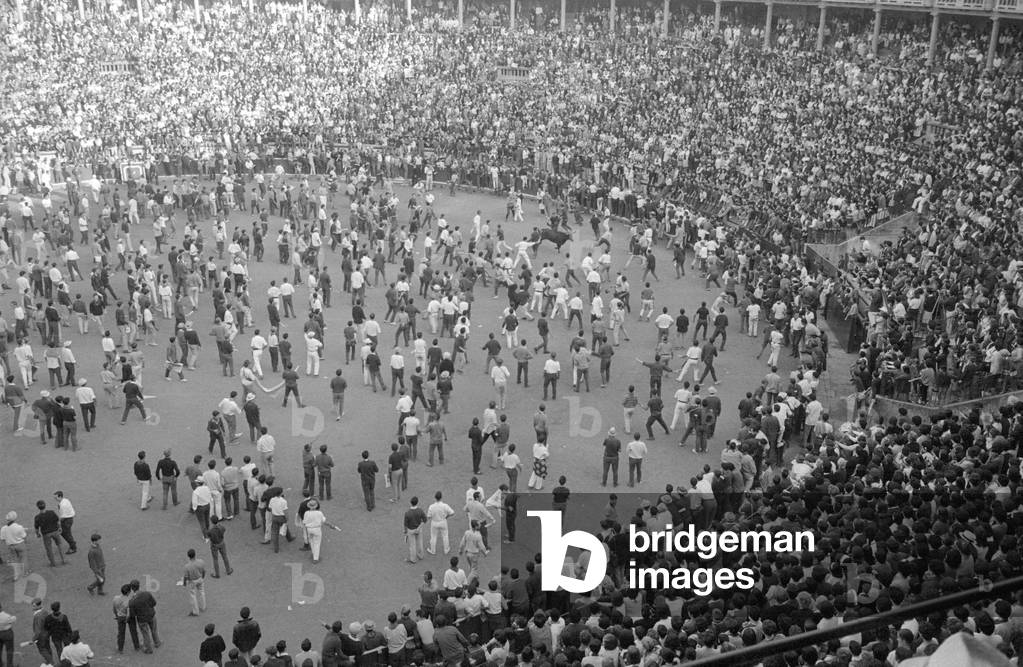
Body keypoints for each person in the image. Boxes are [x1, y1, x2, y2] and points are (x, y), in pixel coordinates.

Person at [128, 579, 160, 653]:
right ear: (139, 586)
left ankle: (148, 648)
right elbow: (154, 603)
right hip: (151, 615)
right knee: (154, 630)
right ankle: (157, 642)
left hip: (142, 619)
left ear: (132, 589)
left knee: (145, 634)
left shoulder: (132, 601)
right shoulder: (147, 593)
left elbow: (133, 614)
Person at [426, 491, 454, 555]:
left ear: (435, 498)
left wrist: (433, 517)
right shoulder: (445, 505)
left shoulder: (431, 506)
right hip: (443, 522)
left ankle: (433, 550)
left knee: (433, 536)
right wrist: (446, 517)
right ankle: (446, 549)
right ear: (441, 497)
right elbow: (452, 513)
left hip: (434, 522)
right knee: (445, 536)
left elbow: (428, 516)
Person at [183, 548, 208, 616]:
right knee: (202, 592)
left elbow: (186, 577)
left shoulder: (187, 566)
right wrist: (202, 577)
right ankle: (203, 607)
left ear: (188, 556)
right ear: (195, 554)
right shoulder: (201, 561)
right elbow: (204, 571)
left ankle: (195, 612)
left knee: (193, 596)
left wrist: (184, 583)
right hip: (200, 579)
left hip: (192, 581)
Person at [403, 496, 427, 564]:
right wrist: (419, 527)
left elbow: (405, 524)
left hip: (411, 530)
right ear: (417, 502)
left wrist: (405, 531)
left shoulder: (407, 513)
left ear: (411, 503)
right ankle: (421, 556)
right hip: (418, 530)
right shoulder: (420, 510)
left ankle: (413, 559)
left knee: (412, 545)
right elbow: (425, 520)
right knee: (420, 543)